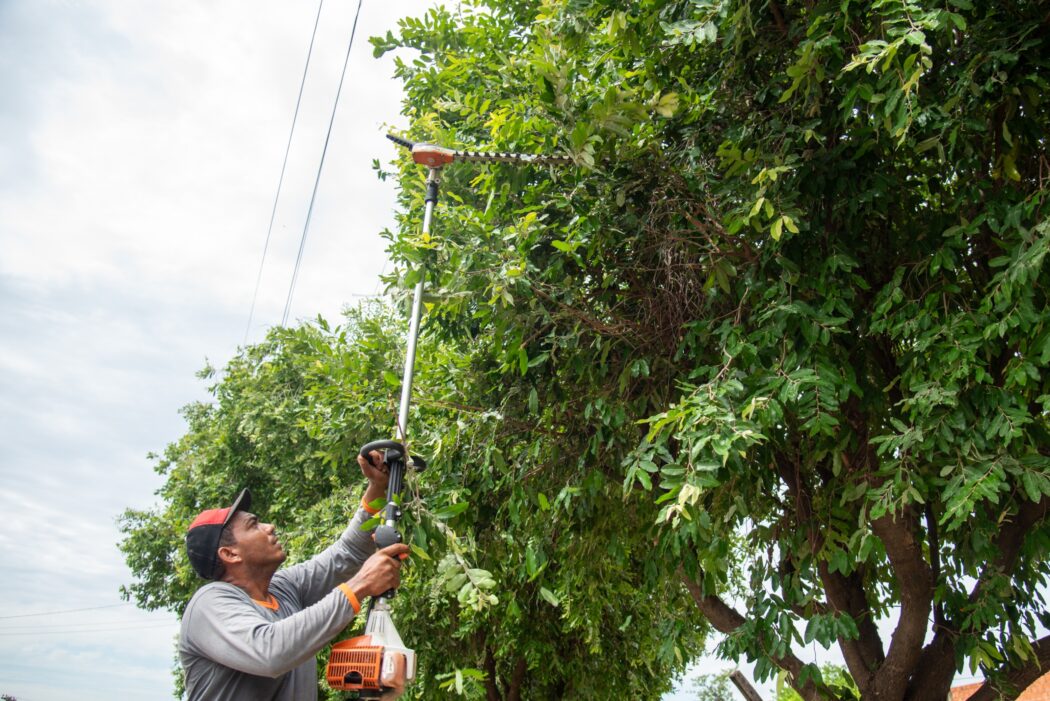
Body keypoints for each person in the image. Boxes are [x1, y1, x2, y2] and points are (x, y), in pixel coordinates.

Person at [179, 450, 409, 700]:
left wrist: (377, 488)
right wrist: (360, 585)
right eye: (253, 525)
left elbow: (347, 554)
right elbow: (270, 652)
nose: (269, 527)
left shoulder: (284, 588)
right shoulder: (210, 604)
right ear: (230, 554)